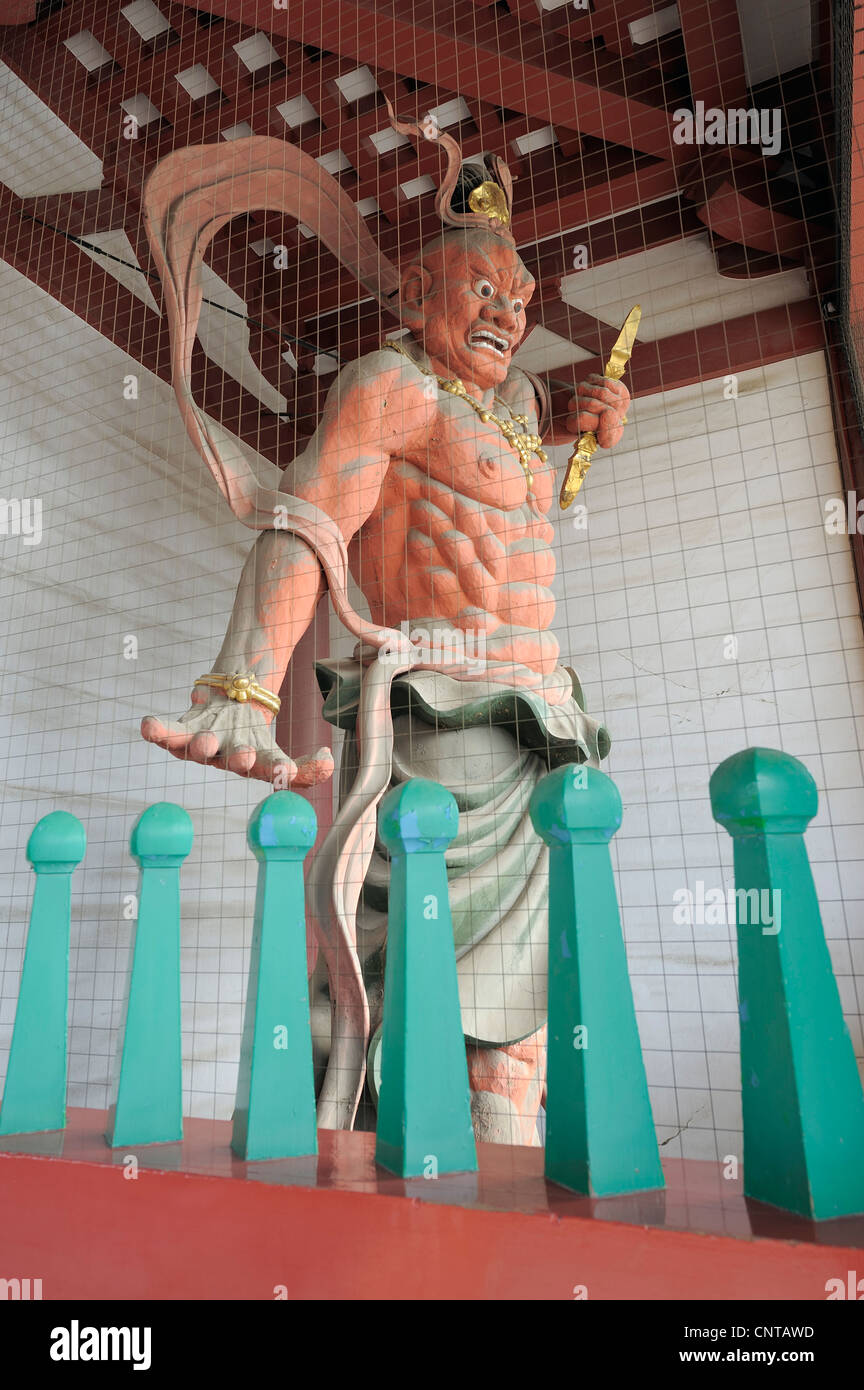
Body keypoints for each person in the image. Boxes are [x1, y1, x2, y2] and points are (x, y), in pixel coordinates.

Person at [141, 118, 629, 1143]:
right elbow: (308, 519)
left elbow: (512, 513)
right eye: (482, 291)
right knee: (412, 977)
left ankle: (502, 1187)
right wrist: (245, 685)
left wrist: (587, 438)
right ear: (416, 291)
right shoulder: (389, 387)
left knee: (524, 1007)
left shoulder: (521, 401)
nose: (508, 313)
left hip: (546, 721)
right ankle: (374, 1188)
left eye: (520, 299)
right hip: (441, 714)